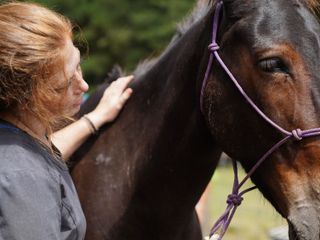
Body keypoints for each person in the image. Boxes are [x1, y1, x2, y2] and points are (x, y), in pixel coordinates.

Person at [0, 2, 133, 239]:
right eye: (64, 84)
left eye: (78, 66)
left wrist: (95, 117)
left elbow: (39, 154)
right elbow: (27, 169)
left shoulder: (15, 137)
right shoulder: (21, 180)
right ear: (23, 97)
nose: (83, 85)